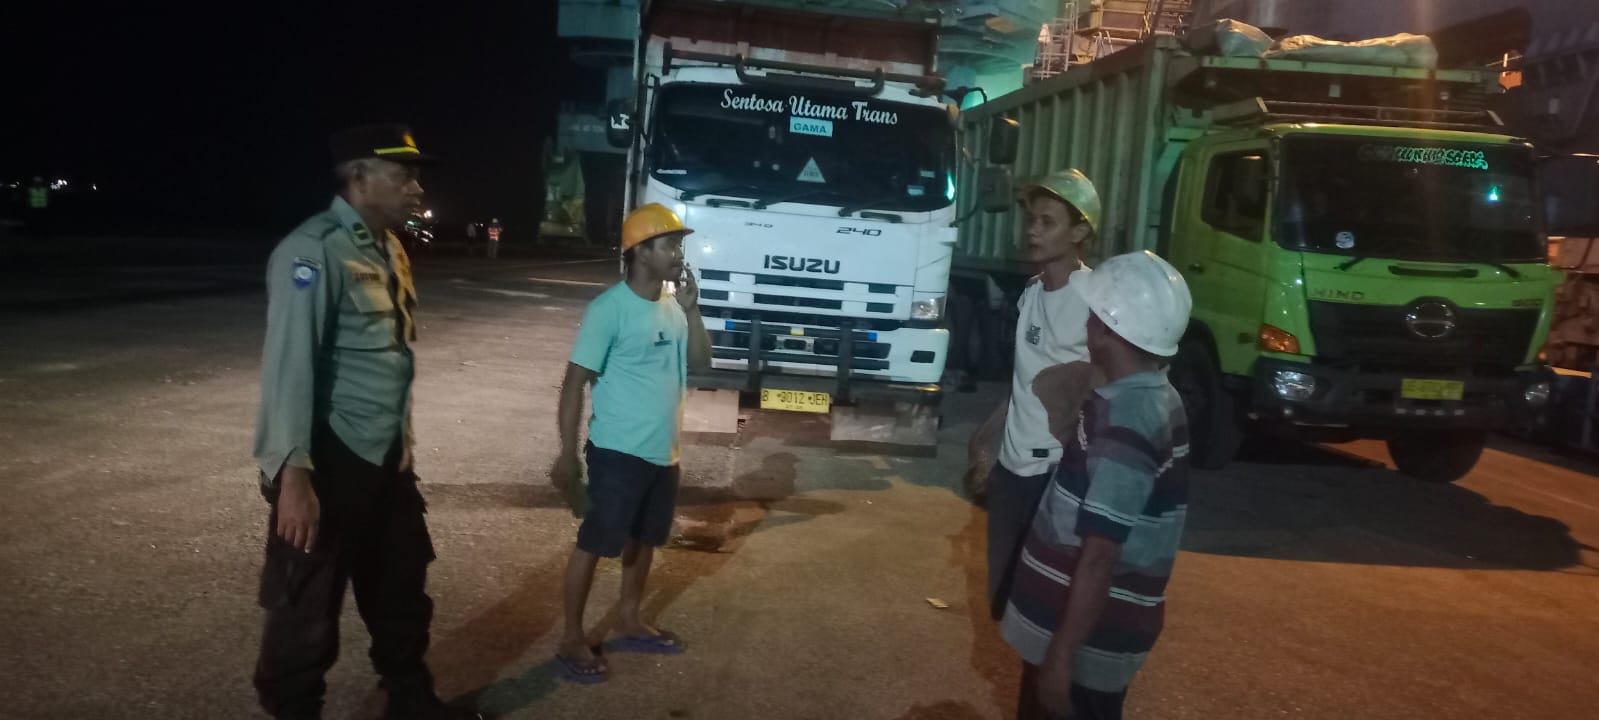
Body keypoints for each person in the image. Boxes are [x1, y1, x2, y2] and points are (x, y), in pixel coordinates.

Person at [252, 123, 479, 720]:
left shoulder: (389, 248)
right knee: (306, 611)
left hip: (386, 459)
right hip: (329, 461)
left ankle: (408, 700)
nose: (416, 187)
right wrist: (293, 478)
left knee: (402, 589)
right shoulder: (314, 250)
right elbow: (290, 367)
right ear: (358, 177)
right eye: (403, 174)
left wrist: (403, 452)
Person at [1003, 250, 1193, 720]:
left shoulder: (1127, 420)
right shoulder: (1153, 396)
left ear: (1106, 330)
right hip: (1085, 637)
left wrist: (1060, 662)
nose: (1086, 321)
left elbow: (1100, 555)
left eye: (1092, 314)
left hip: (1082, 649)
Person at [548, 202, 712, 683]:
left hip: (664, 451)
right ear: (640, 251)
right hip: (618, 452)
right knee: (595, 543)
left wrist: (693, 311)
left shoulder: (673, 307)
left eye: (679, 245)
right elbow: (574, 383)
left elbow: (701, 361)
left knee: (644, 540)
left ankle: (629, 616)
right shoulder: (609, 310)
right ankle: (572, 637)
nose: (679, 254)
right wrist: (567, 452)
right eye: (670, 245)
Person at [986, 169, 1105, 622]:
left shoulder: (1095, 301)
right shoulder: (1031, 293)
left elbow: (1105, 393)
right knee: (1004, 603)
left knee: (1042, 608)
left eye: (1047, 222)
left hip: (1054, 475)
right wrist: (990, 438)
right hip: (1011, 472)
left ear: (1079, 232)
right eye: (1031, 220)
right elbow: (1024, 381)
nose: (1033, 230)